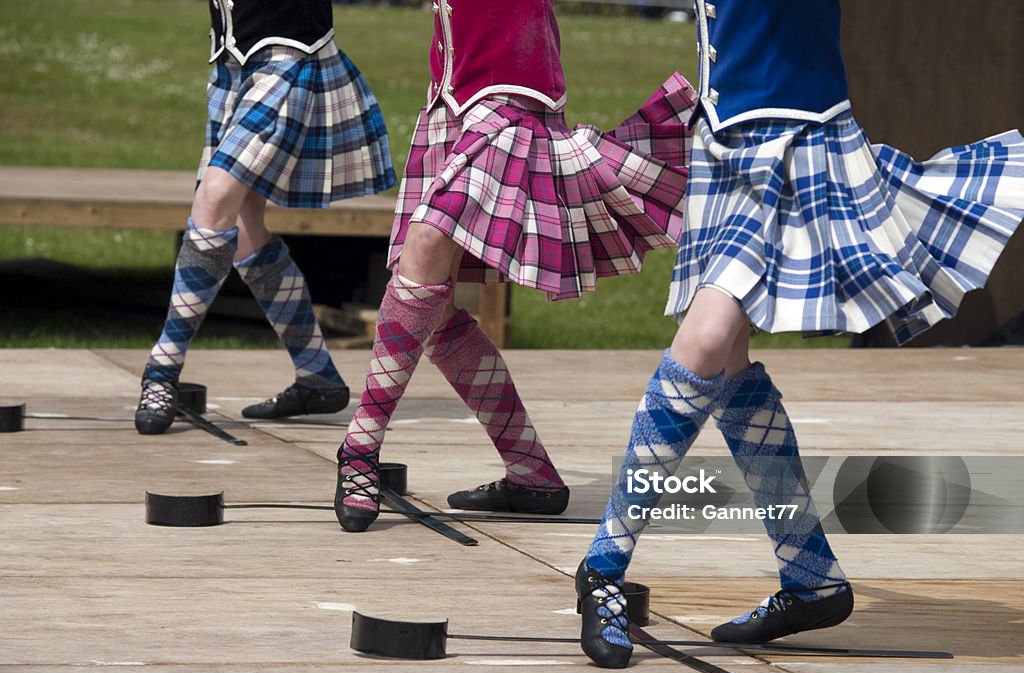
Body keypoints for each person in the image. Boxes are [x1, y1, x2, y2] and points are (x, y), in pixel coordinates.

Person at [577, 0, 1024, 668]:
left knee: (703, 341)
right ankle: (810, 573)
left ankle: (602, 568)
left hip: (794, 143)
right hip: (725, 146)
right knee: (724, 362)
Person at [332, 0, 696, 533]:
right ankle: (532, 474)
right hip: (454, 101)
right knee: (428, 305)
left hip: (510, 99)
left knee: (427, 245)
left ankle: (359, 448)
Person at [134, 0, 395, 435]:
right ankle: (318, 376)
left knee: (215, 199)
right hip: (232, 64)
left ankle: (162, 369)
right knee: (244, 228)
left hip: (288, 60)